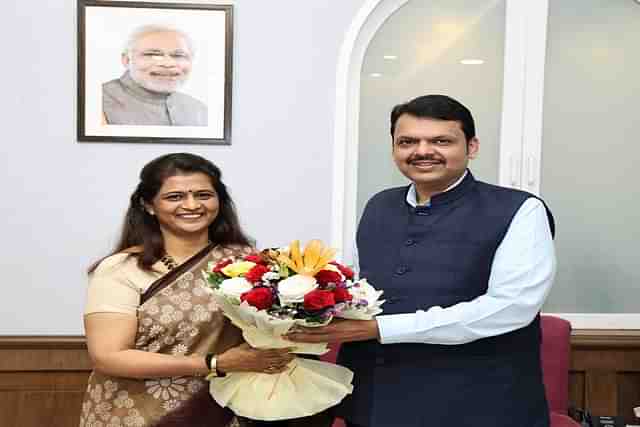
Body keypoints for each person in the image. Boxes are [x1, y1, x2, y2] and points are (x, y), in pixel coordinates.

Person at [286, 94, 557, 427]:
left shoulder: (520, 209)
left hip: (478, 403)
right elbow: (357, 289)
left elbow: (511, 307)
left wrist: (381, 328)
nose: (422, 151)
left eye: (441, 141)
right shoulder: (379, 205)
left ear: (471, 147)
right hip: (376, 400)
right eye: (408, 141)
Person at [79, 153, 294, 427]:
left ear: (219, 201)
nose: (192, 205)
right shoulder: (121, 269)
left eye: (203, 195)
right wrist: (215, 363)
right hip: (136, 413)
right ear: (148, 205)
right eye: (175, 197)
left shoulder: (247, 262)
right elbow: (108, 357)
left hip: (223, 409)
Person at [102, 25, 208, 126]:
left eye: (178, 55)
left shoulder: (198, 109)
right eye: (152, 54)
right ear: (126, 60)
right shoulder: (97, 102)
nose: (167, 64)